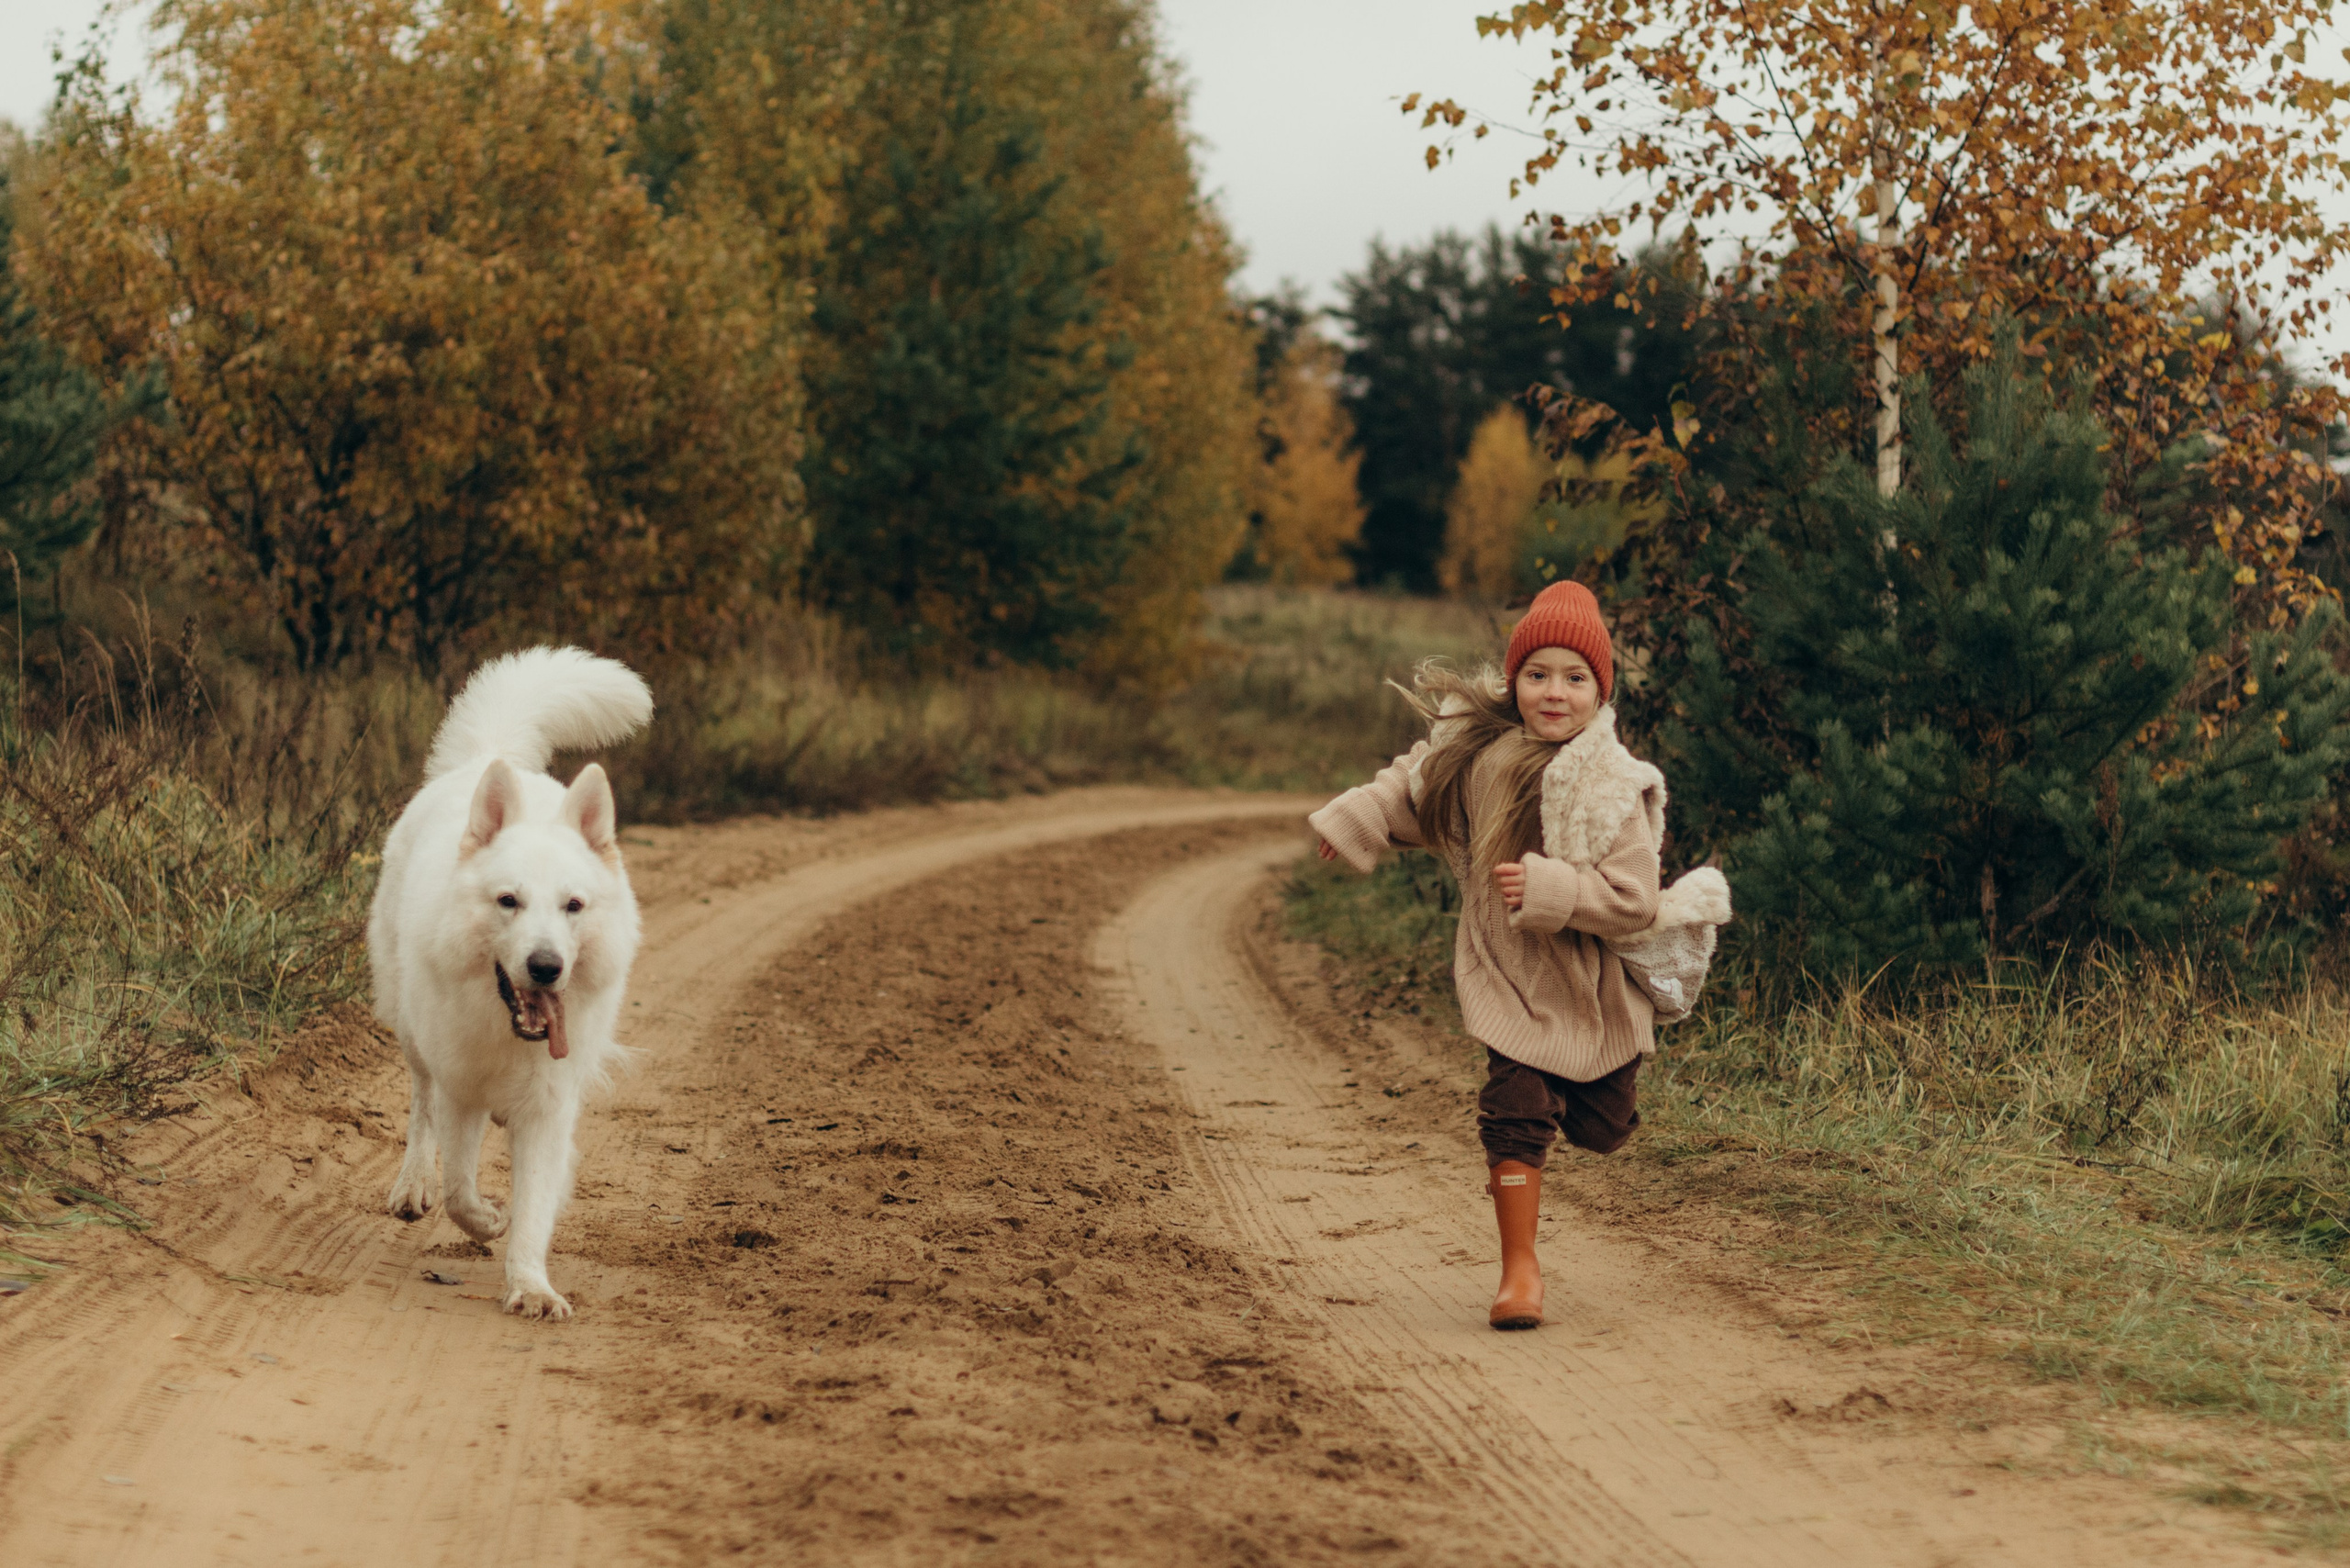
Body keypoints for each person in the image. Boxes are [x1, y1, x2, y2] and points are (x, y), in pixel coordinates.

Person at [1308, 580, 1663, 1331]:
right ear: (1514, 681)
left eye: (1574, 679)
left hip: (1586, 988)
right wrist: (1357, 820)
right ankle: (1519, 1271)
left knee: (1603, 1127)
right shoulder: (1479, 755)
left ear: (1600, 691)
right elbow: (1413, 789)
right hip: (1505, 975)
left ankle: (1581, 1099)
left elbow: (1636, 899)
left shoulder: (1611, 786)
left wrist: (1555, 888)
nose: (1554, 694)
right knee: (1515, 1109)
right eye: (1538, 676)